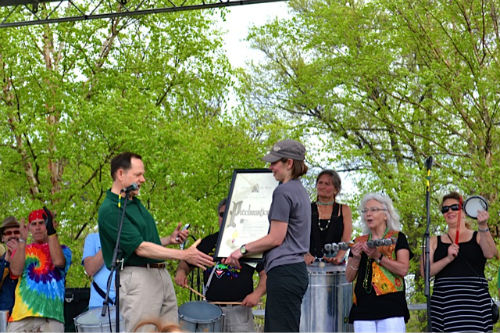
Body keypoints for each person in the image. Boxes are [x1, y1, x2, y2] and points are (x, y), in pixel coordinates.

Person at [98, 152, 214, 331]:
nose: (143, 179)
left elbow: (143, 241)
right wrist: (184, 255)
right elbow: (140, 248)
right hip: (138, 278)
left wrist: (169, 240)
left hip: (160, 274)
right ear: (120, 174)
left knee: (171, 329)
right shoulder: (110, 209)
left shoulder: (134, 202)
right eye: (138, 175)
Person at [223, 139, 311, 332]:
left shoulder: (283, 191)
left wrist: (241, 250)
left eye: (274, 162)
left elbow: (275, 237)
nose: (270, 167)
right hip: (295, 271)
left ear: (289, 163)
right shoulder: (300, 190)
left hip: (284, 271)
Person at [175, 198, 267, 332]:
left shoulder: (249, 245)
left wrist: (257, 294)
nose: (225, 218)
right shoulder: (208, 242)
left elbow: (266, 274)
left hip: (240, 313)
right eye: (222, 214)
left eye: (229, 215)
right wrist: (181, 272)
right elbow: (185, 263)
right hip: (209, 312)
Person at [422, 191, 498, 332]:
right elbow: (425, 273)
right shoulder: (433, 241)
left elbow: (490, 253)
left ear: (464, 211)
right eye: (445, 209)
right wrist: (447, 259)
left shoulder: (478, 235)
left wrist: (483, 226)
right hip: (444, 306)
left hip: (475, 306)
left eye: (454, 207)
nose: (449, 211)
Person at [346, 193, 412, 333]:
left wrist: (378, 256)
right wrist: (356, 258)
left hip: (391, 306)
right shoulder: (359, 241)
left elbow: (403, 269)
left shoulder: (397, 238)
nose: (368, 214)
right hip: (363, 307)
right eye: (365, 211)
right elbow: (349, 277)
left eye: (374, 210)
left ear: (386, 215)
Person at [7, 208, 72, 332]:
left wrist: (52, 231)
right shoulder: (22, 249)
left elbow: (59, 262)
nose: (37, 227)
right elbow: (15, 271)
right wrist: (21, 241)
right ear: (29, 228)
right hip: (22, 317)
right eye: (34, 224)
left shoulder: (63, 249)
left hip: (51, 317)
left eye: (41, 223)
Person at [304, 169, 353, 265]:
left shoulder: (344, 209)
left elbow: (346, 238)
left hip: (335, 264)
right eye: (320, 183)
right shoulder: (306, 208)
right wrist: (305, 254)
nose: (322, 186)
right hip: (309, 263)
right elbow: (298, 235)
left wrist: (338, 257)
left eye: (327, 184)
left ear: (336, 189)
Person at [82, 232, 115, 309]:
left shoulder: (130, 237)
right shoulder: (92, 238)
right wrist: (109, 240)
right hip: (99, 304)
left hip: (128, 303)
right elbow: (89, 269)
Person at [0, 216, 22, 314]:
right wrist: (6, 261)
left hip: (26, 316)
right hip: (4, 314)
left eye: (16, 232)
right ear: (3, 237)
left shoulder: (31, 257)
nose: (13, 235)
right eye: (9, 233)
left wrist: (18, 254)